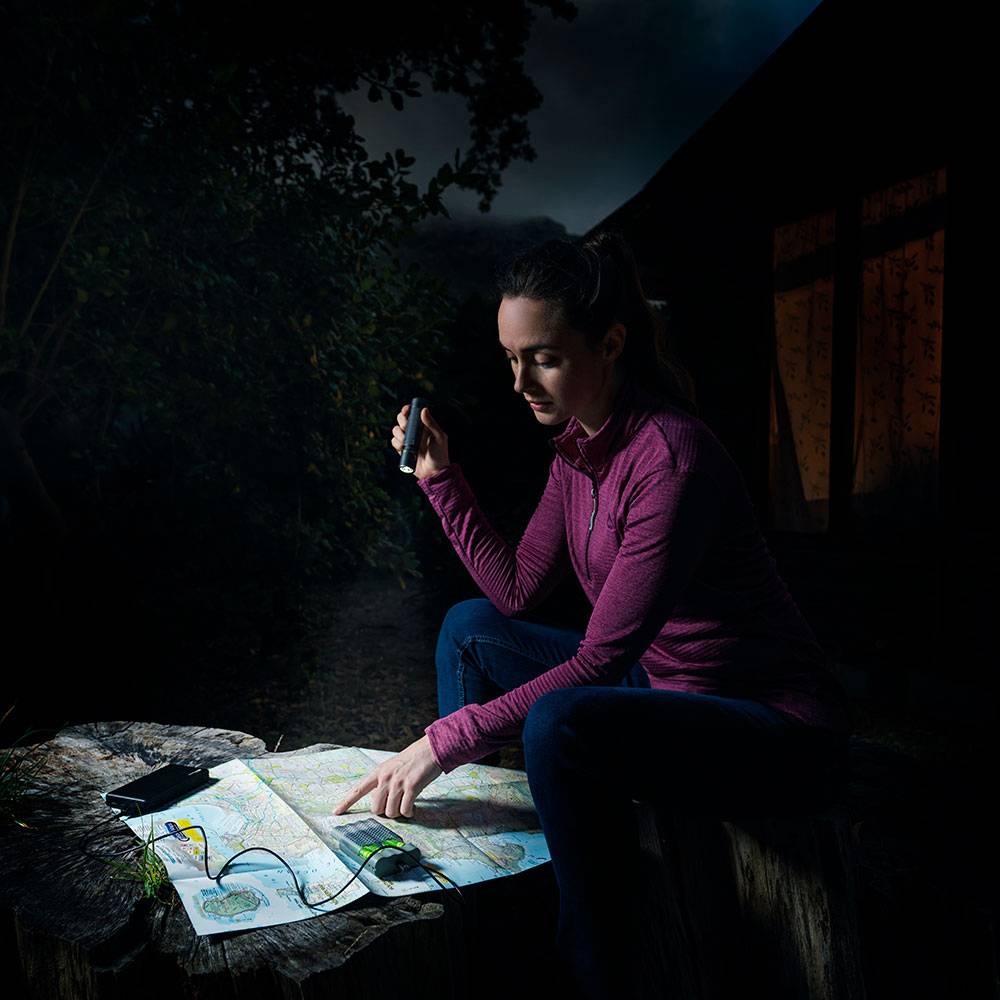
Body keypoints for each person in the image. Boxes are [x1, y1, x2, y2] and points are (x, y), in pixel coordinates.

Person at [333, 229, 854, 1000]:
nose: (520, 382)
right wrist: (441, 479)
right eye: (512, 359)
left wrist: (441, 741)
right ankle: (488, 878)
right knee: (470, 629)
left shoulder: (671, 461)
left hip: (772, 727)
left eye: (541, 357)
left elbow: (599, 664)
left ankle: (589, 965)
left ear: (610, 344)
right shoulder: (577, 452)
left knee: (561, 721)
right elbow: (514, 591)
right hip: (668, 691)